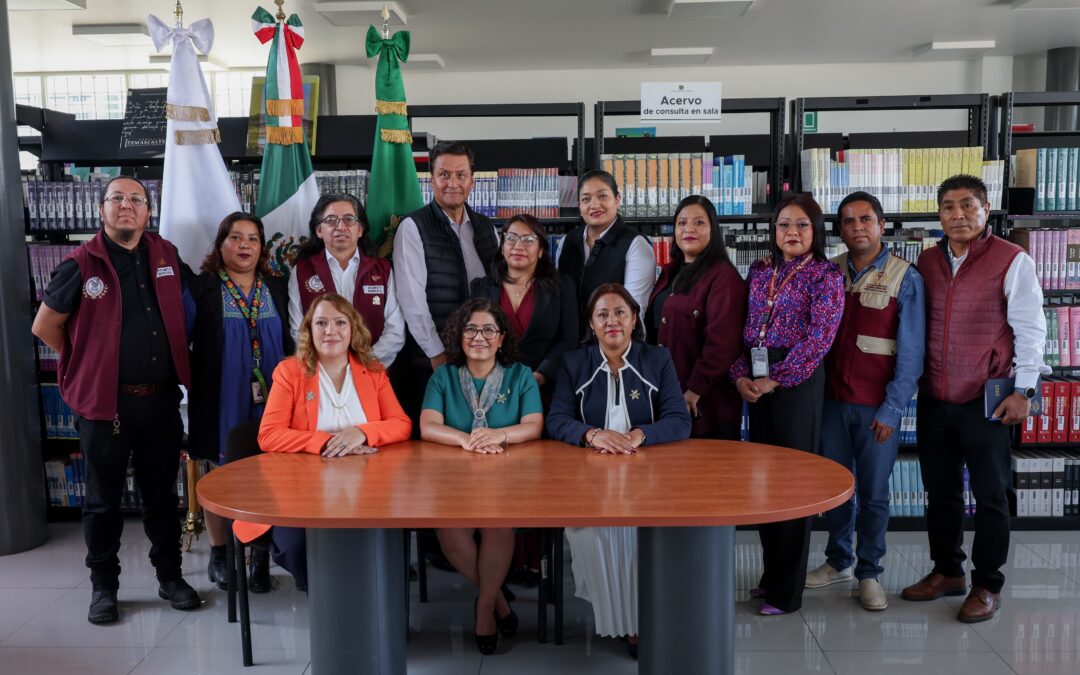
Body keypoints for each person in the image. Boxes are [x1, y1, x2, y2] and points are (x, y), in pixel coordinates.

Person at [31, 176, 200, 624]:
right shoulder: (79, 264)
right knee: (102, 501)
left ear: (148, 211)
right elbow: (45, 326)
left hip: (161, 402)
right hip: (106, 407)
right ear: (102, 209)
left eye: (136, 200)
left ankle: (171, 577)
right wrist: (86, 364)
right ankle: (104, 587)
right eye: (117, 199)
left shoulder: (166, 254)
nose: (126, 206)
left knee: (162, 496)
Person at [901, 175, 1047, 623]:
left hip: (988, 398)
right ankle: (948, 571)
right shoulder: (924, 262)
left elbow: (1031, 329)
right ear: (939, 214)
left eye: (968, 205)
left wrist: (1025, 391)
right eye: (948, 207)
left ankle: (987, 584)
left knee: (990, 495)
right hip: (935, 396)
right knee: (939, 493)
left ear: (986, 209)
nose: (958, 214)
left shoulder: (1012, 260)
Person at [546, 283, 692, 658]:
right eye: (602, 315)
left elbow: (679, 421)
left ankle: (636, 622)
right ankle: (615, 615)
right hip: (588, 480)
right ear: (591, 325)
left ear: (633, 320)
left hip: (646, 478)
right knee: (596, 534)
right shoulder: (574, 363)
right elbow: (557, 419)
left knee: (635, 534)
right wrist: (592, 434)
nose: (611, 321)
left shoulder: (657, 359)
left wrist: (640, 435)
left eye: (620, 313)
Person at [233, 293, 412, 591]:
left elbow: (402, 424)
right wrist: (326, 441)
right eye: (321, 323)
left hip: (369, 489)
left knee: (381, 539)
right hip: (300, 488)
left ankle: (363, 600)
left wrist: (363, 432)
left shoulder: (374, 372)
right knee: (294, 546)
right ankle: (325, 600)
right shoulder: (291, 372)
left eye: (340, 322)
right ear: (309, 330)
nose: (331, 331)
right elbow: (268, 434)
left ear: (353, 328)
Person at [806, 192, 925, 611]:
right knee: (837, 489)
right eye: (848, 221)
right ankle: (838, 560)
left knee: (874, 494)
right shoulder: (828, 273)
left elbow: (910, 357)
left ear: (881, 224)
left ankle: (870, 572)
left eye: (866, 219)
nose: (857, 227)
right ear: (839, 229)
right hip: (831, 404)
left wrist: (892, 410)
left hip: (876, 409)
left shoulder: (904, 278)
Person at [730, 192, 844, 616]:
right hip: (757, 379)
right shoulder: (759, 271)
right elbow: (743, 328)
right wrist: (740, 375)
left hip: (796, 382)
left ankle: (787, 591)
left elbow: (819, 341)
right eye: (783, 225)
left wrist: (775, 379)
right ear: (772, 230)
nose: (791, 232)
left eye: (801, 225)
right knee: (765, 483)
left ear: (815, 231)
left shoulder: (824, 275)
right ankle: (769, 576)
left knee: (794, 487)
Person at [419, 298, 543, 654]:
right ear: (459, 336)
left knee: (498, 526)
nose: (479, 337)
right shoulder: (443, 376)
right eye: (471, 329)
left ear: (501, 338)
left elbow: (534, 425)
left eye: (489, 329)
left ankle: (485, 610)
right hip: (453, 478)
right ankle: (497, 602)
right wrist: (467, 440)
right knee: (449, 532)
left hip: (507, 477)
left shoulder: (520, 375)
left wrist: (500, 435)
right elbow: (428, 426)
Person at [184, 212, 292, 594]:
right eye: (235, 237)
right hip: (221, 396)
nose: (244, 245)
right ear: (220, 244)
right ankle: (221, 556)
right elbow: (181, 342)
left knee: (269, 476)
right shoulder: (202, 288)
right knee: (219, 474)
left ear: (262, 247)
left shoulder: (279, 286)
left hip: (275, 399)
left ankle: (260, 557)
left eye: (253, 239)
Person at [393, 142, 501, 429]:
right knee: (434, 446)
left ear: (472, 181)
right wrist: (436, 355)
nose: (453, 183)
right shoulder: (413, 227)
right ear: (432, 180)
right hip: (431, 361)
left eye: (460, 175)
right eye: (444, 175)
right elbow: (412, 299)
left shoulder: (487, 228)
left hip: (482, 358)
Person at [646, 195, 746, 440]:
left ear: (713, 229)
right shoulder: (669, 272)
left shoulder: (723, 277)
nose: (688, 229)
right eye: (681, 223)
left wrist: (693, 390)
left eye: (699, 223)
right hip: (667, 395)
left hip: (704, 404)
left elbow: (723, 344)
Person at [288, 193, 405, 367]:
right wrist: (331, 367)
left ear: (360, 229)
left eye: (349, 219)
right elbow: (299, 331)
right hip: (321, 373)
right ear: (319, 230)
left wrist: (361, 365)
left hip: (372, 372)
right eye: (331, 220)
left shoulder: (382, 270)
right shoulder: (302, 271)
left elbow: (395, 331)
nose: (340, 226)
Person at [470, 213, 578, 397]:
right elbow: (472, 338)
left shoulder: (562, 287)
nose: (518, 246)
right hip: (489, 386)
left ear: (541, 250)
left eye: (528, 240)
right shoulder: (480, 288)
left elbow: (569, 340)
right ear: (502, 247)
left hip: (545, 387)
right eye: (511, 238)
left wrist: (539, 376)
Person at [557, 169, 656, 327]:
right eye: (586, 199)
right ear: (579, 206)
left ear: (617, 200)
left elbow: (634, 313)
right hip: (571, 344)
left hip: (613, 343)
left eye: (602, 196)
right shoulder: (566, 242)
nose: (594, 205)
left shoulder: (635, 244)